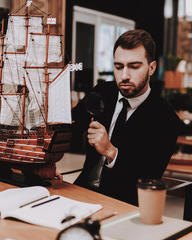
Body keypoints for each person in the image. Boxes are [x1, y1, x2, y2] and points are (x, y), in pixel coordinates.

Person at [71, 29, 181, 206]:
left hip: (125, 203)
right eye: (119, 66)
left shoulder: (166, 120)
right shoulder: (102, 92)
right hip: (82, 192)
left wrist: (111, 152)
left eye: (134, 66)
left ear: (151, 68)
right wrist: (49, 161)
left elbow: (147, 178)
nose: (124, 76)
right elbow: (70, 127)